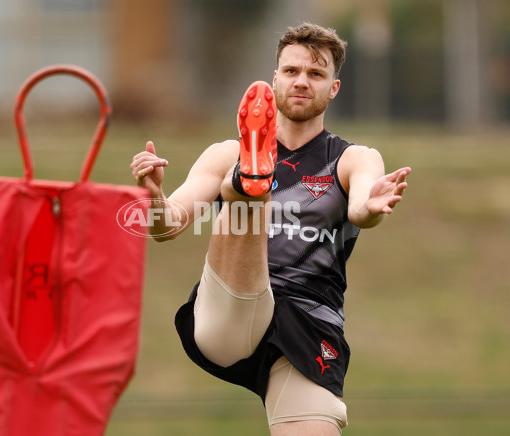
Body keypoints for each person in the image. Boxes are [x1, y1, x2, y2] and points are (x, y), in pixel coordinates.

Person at [130, 22, 411, 435]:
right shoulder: (224, 153)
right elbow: (167, 225)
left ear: (333, 88)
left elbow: (361, 209)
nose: (302, 82)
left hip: (307, 327)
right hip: (229, 309)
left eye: (316, 74)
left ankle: (249, 184)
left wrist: (370, 206)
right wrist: (153, 196)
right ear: (275, 76)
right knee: (241, 193)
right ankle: (250, 182)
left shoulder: (354, 159)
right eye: (292, 71)